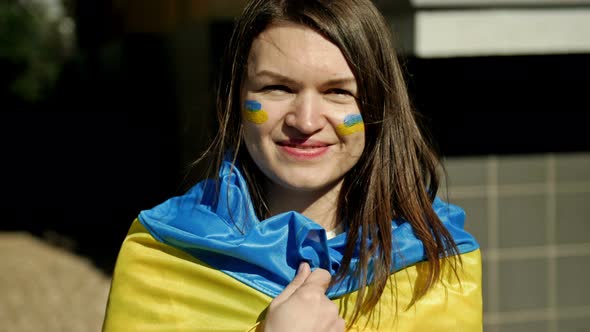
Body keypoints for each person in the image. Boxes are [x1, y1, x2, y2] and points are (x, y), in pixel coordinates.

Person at [102, 0, 482, 331]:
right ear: (235, 101)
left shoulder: (436, 264)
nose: (305, 120)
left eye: (337, 92)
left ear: (377, 108)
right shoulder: (165, 255)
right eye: (277, 88)